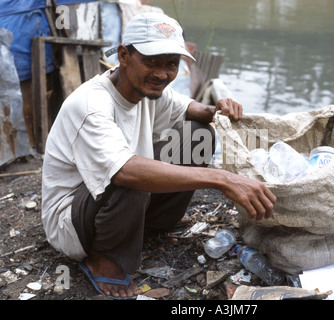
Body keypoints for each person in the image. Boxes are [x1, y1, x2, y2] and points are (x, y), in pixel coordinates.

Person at [41, 12, 276, 299]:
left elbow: (193, 110)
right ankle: (104, 256)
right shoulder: (92, 104)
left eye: (171, 64)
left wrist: (220, 108)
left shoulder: (149, 90)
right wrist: (223, 179)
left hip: (113, 197)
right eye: (151, 61)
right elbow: (125, 171)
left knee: (197, 134)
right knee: (132, 175)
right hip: (71, 223)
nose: (163, 74)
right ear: (124, 56)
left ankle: (152, 224)